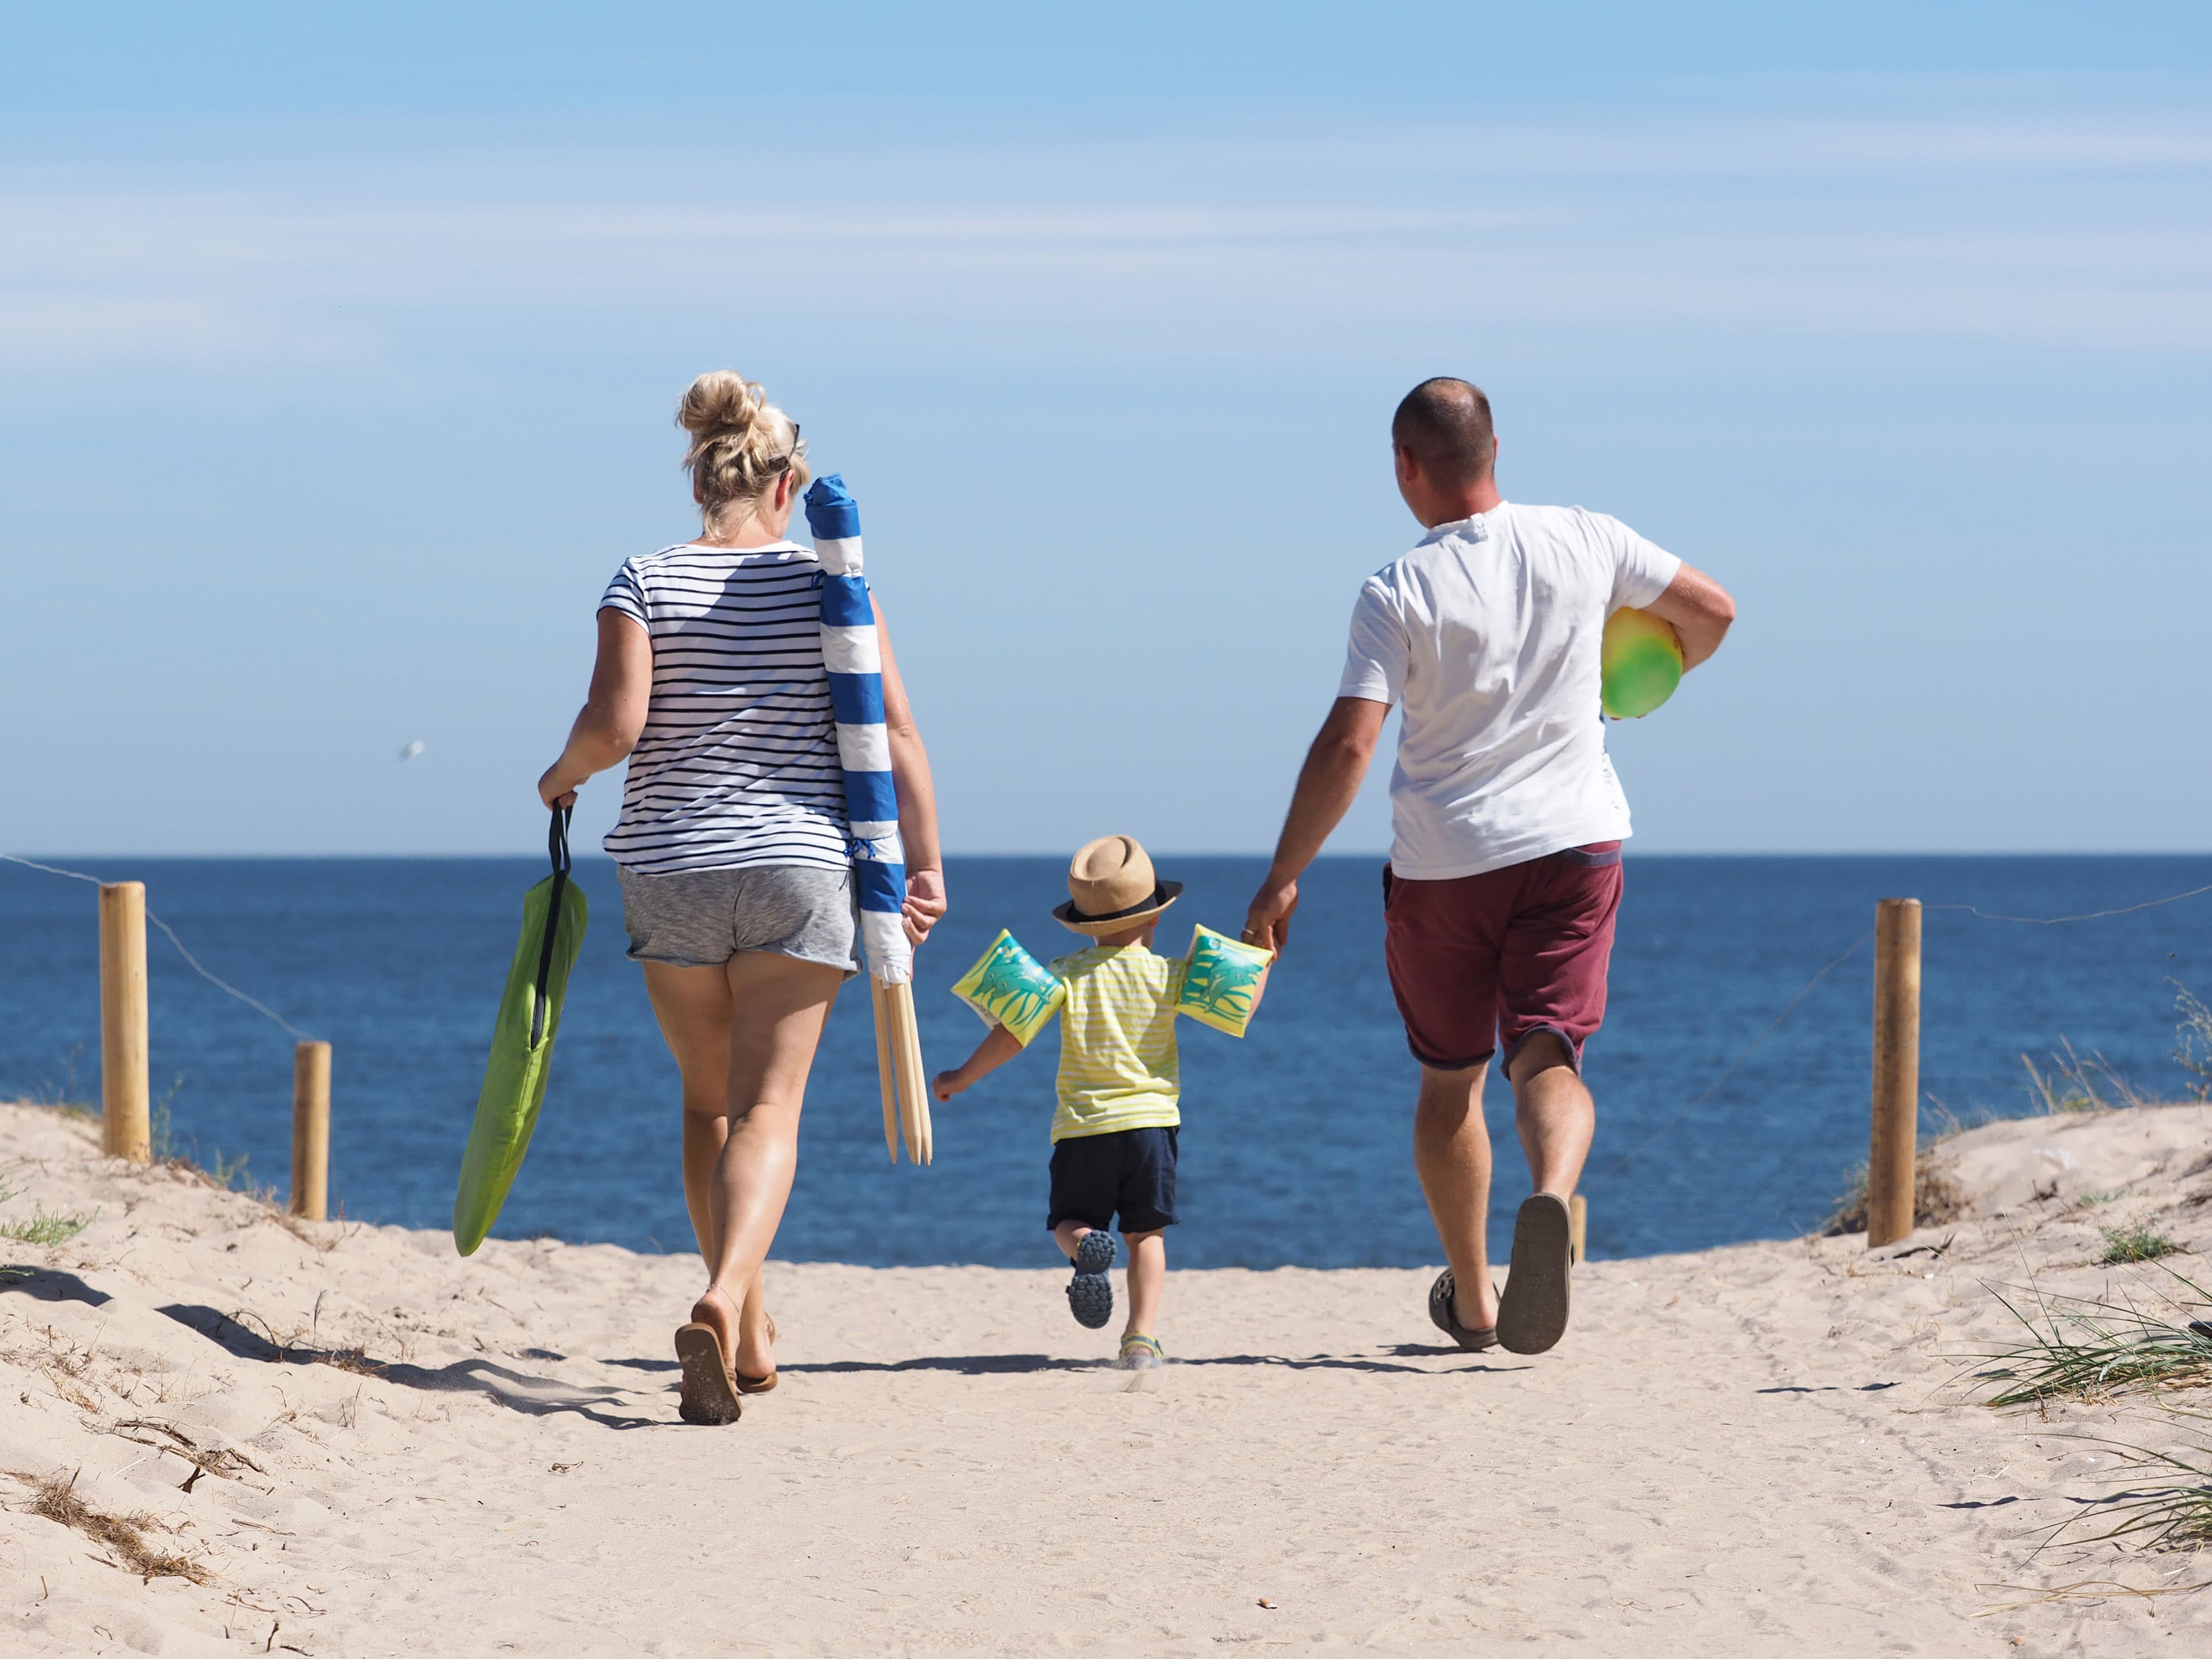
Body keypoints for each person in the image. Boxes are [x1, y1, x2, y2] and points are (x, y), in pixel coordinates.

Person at [1241, 377, 1734, 1357]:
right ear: (1496, 449)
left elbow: (1348, 746)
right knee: (1545, 1052)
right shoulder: (1586, 538)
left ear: (1404, 467)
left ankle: (1472, 1300)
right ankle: (1549, 1195)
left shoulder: (1395, 589)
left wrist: (1281, 875)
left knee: (1447, 1081)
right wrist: (1633, 687)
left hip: (1444, 864)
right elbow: (1712, 612)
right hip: (1573, 841)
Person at [537, 371, 946, 1424]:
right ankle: (726, 1299)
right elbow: (894, 733)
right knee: (768, 1108)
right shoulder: (830, 587)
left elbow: (616, 724)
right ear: (785, 484)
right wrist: (926, 866)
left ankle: (749, 1333)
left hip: (669, 864)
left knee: (705, 1102)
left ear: (698, 482)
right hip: (797, 863)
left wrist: (561, 777)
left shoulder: (641, 578)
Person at [930, 835, 1265, 1370]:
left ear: (1083, 924)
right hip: (1152, 1129)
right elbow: (1240, 1006)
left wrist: (960, 1077)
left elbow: (1011, 1033)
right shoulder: (1170, 975)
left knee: (1069, 1219)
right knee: (1146, 1235)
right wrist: (1264, 951)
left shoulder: (1064, 973)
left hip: (1082, 1128)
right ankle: (1140, 1338)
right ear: (1155, 919)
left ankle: (1085, 1244)